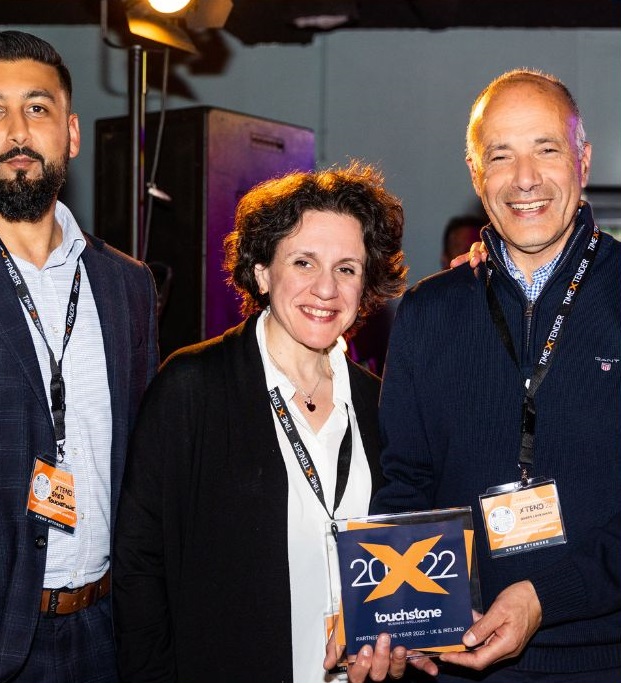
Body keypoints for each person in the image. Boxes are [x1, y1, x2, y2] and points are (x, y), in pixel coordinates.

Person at [326, 69, 621, 682]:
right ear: (474, 171)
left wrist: (546, 596)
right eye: (500, 155)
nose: (525, 179)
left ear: (583, 158)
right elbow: (407, 483)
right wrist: (389, 615)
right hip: (458, 658)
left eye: (547, 149)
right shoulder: (430, 310)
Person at [0, 31, 158, 682]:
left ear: (71, 133)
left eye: (38, 107)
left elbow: (143, 470)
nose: (18, 130)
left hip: (108, 637)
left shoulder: (125, 284)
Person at [112, 162, 408, 683]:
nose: (326, 289)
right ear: (263, 271)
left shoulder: (381, 404)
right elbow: (139, 566)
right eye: (303, 262)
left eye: (347, 268)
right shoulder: (192, 387)